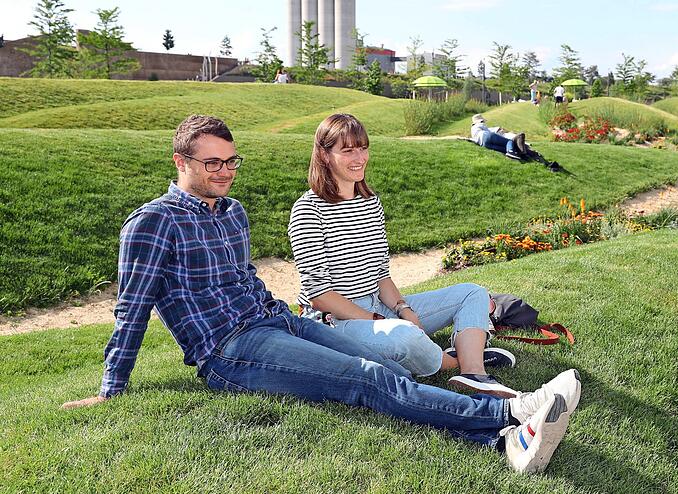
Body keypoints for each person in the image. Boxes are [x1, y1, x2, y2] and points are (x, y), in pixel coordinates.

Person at [60, 114, 583, 474]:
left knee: (393, 368)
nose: (223, 172)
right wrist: (113, 385)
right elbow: (132, 307)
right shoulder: (154, 223)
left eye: (231, 161)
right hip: (229, 351)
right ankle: (506, 428)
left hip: (278, 321)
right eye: (210, 163)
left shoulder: (233, 212)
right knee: (367, 377)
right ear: (181, 162)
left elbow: (245, 279)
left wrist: (285, 313)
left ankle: (492, 395)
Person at [289, 114, 518, 397]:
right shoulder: (308, 210)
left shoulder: (370, 203)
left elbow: (380, 273)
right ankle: (455, 360)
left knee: (473, 293)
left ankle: (473, 373)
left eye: (363, 148)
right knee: (405, 336)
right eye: (347, 150)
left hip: (377, 306)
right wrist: (379, 321)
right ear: (324, 155)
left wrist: (403, 309)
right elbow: (320, 295)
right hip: (334, 321)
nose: (359, 157)